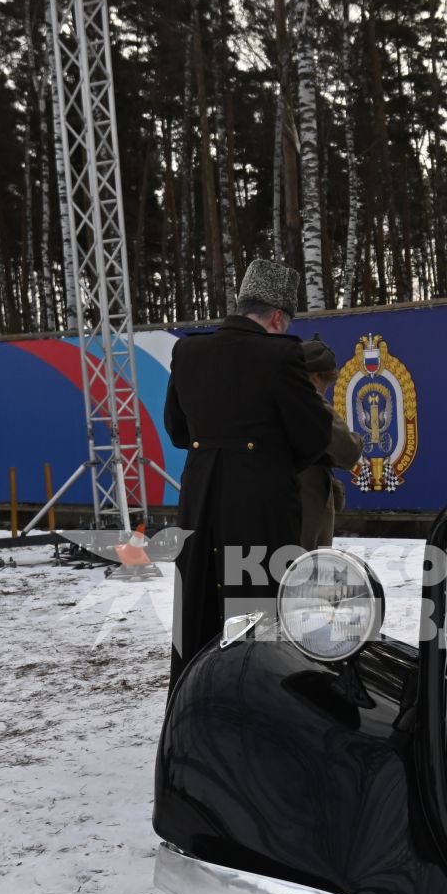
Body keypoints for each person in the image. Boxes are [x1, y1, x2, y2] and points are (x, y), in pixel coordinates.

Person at [163, 260, 332, 683]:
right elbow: (314, 437)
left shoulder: (187, 351)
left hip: (199, 507)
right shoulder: (282, 355)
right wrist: (268, 464)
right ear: (278, 316)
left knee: (196, 620)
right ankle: (254, 715)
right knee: (256, 625)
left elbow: (177, 432)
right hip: (259, 508)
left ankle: (193, 709)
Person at [295, 336, 361, 550]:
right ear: (314, 377)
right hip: (305, 503)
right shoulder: (310, 402)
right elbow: (348, 451)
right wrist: (357, 441)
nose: (325, 390)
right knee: (308, 573)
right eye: (326, 383)